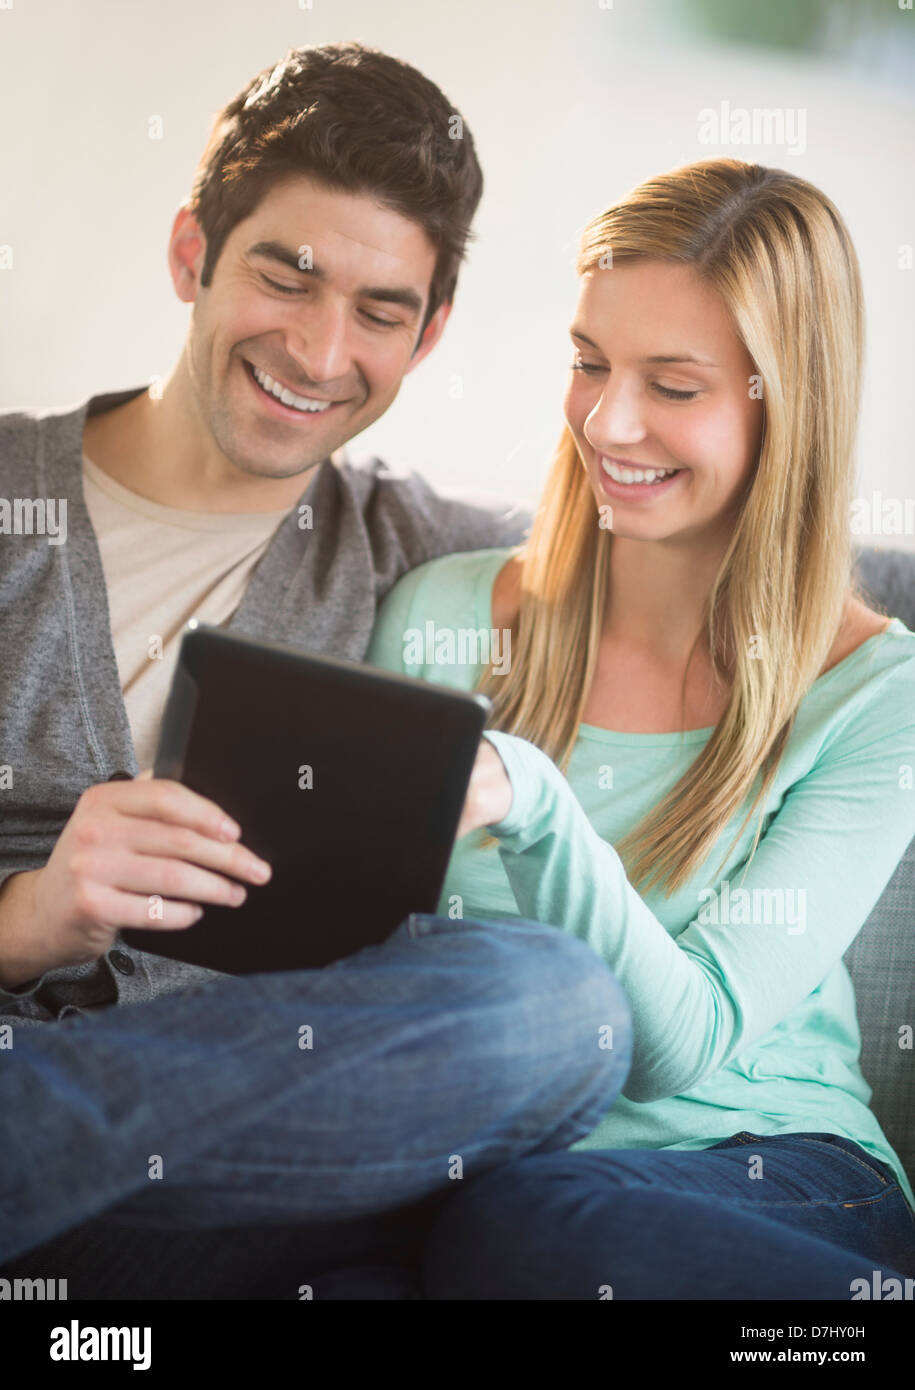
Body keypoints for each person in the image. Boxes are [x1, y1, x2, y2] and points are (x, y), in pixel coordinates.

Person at [0, 43, 630, 1297]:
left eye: (381, 311)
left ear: (431, 329)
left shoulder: (426, 549)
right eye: (287, 275)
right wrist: (31, 917)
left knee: (564, 1008)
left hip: (240, 1185)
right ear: (193, 255)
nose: (320, 348)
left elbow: (727, 547)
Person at [364, 158, 915, 1298]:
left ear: (784, 399)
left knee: (532, 1227)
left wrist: (528, 798)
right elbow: (364, 965)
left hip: (768, 1178)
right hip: (481, 1170)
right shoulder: (449, 614)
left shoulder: (876, 694)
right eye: (589, 364)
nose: (607, 422)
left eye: (674, 384)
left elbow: (680, 1049)